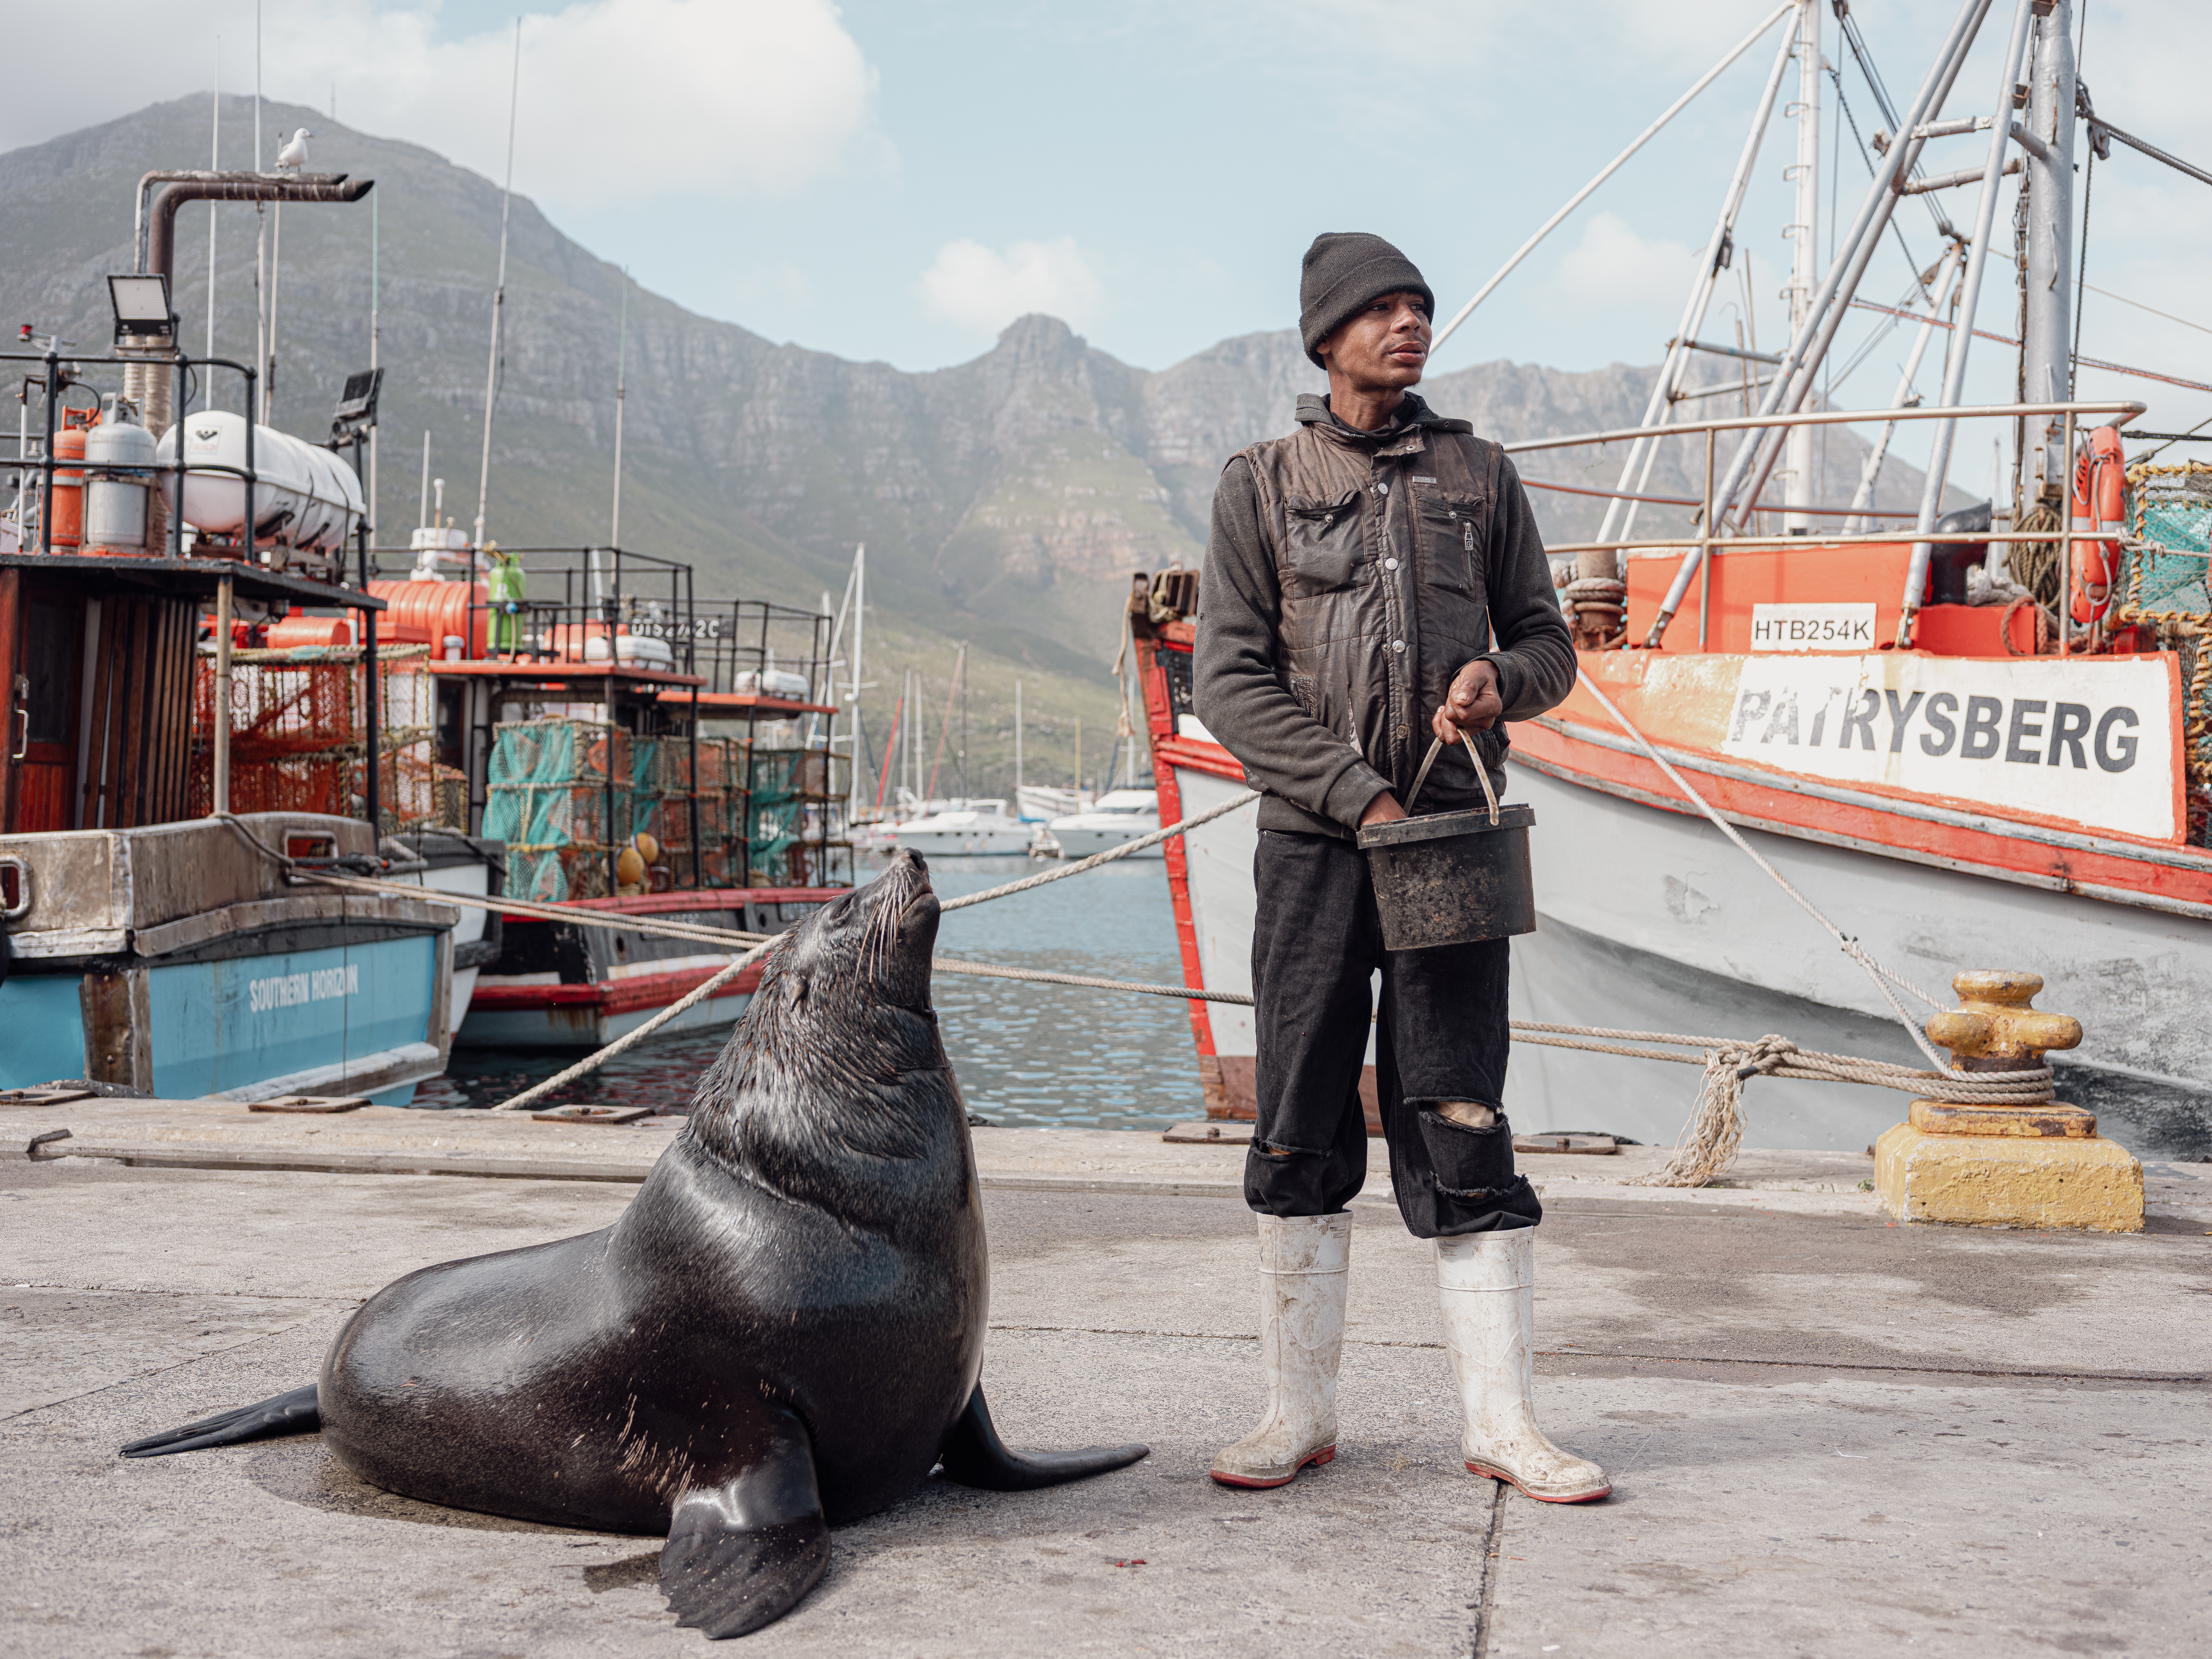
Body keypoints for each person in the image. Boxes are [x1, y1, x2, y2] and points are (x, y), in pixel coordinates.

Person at [1192, 231, 1608, 1504]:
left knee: (1461, 1113)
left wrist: (1499, 680)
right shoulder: (1259, 483)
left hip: (1448, 846)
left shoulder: (1482, 475)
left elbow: (1547, 644)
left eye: (1419, 306)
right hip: (1315, 850)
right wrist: (1353, 792)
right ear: (1324, 337)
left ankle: (1502, 1423)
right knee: (1296, 1116)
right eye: (1379, 308)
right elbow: (1228, 682)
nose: (1408, 323)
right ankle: (1295, 1414)